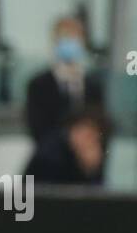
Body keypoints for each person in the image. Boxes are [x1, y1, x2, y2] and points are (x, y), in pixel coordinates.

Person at [24, 16, 106, 148]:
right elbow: (37, 128)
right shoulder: (38, 86)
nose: (70, 44)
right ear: (55, 43)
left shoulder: (94, 86)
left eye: (74, 39)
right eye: (65, 38)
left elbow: (101, 126)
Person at [25, 111, 110, 185]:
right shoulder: (50, 154)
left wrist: (90, 170)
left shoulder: (95, 153)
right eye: (87, 135)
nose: (90, 141)